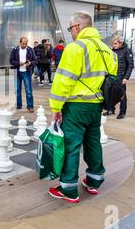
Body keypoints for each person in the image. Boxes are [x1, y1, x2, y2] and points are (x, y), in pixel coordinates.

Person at [48, 11, 118, 203]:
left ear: (78, 27)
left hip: (76, 107)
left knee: (71, 146)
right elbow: (109, 82)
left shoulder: (75, 47)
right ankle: (94, 181)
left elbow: (63, 80)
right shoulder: (108, 51)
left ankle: (68, 189)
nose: (70, 31)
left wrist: (56, 107)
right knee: (93, 143)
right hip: (96, 107)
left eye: (71, 28)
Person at [104, 36, 134, 119]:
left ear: (121, 43)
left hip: (121, 77)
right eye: (113, 43)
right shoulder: (112, 50)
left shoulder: (127, 51)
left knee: (122, 95)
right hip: (112, 76)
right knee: (110, 93)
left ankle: (122, 112)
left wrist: (126, 77)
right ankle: (111, 109)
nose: (114, 45)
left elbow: (130, 65)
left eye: (116, 43)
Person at [10, 37, 37, 113]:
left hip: (27, 72)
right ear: (20, 42)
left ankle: (30, 106)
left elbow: (35, 60)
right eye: (23, 43)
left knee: (28, 90)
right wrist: (18, 63)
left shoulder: (30, 50)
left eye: (26, 43)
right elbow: (11, 61)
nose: (24, 45)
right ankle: (18, 105)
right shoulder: (15, 50)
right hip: (17, 72)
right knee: (17, 90)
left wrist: (30, 63)